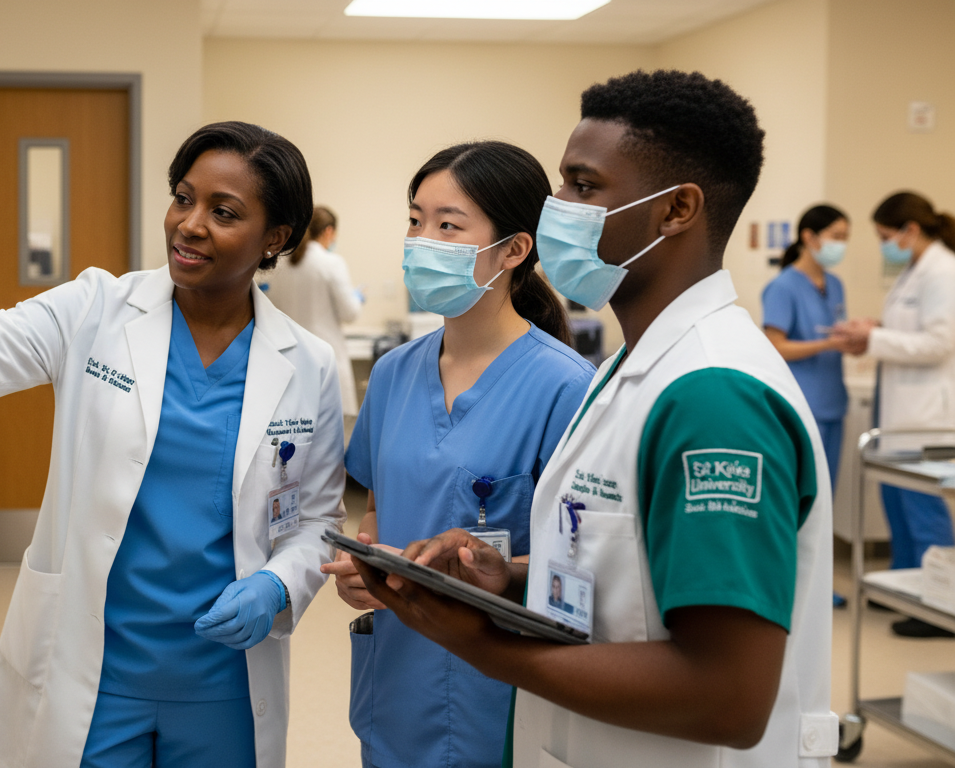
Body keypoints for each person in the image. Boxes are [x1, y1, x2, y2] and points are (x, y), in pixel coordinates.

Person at [0, 120, 347, 768]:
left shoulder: (307, 364)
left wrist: (279, 586)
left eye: (223, 212)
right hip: (96, 667)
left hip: (225, 677)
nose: (189, 223)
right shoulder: (97, 307)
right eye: (182, 197)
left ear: (276, 237)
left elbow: (317, 518)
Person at [355, 70, 837, 767]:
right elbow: (624, 575)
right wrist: (509, 575)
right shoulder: (634, 372)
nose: (557, 209)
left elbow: (727, 695)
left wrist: (481, 645)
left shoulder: (714, 396)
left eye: (583, 187)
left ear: (676, 210)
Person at [320, 141, 594, 768]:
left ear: (514, 249)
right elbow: (379, 511)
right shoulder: (392, 375)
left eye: (448, 225)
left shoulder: (565, 387)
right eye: (415, 220)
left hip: (493, 682)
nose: (422, 241)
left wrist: (481, 563)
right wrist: (365, 566)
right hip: (395, 675)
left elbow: (581, 560)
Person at [832, 191, 955, 637]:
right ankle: (905, 588)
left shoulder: (943, 271)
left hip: (925, 413)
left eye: (886, 236)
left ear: (911, 230)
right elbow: (910, 331)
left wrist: (875, 342)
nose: (886, 245)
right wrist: (874, 331)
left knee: (922, 506)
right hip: (899, 405)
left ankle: (938, 605)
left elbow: (940, 343)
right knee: (896, 503)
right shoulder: (915, 272)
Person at [760, 204, 851, 608]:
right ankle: (792, 585)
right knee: (798, 500)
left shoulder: (835, 285)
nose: (841, 245)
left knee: (825, 499)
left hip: (832, 403)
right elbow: (775, 345)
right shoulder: (783, 286)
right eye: (836, 235)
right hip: (801, 406)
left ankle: (819, 584)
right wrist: (829, 343)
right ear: (810, 237)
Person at [262, 205, 364, 416]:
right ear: (328, 231)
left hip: (288, 361)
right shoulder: (331, 262)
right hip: (325, 362)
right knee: (332, 436)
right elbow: (350, 313)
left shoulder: (281, 262)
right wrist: (357, 298)